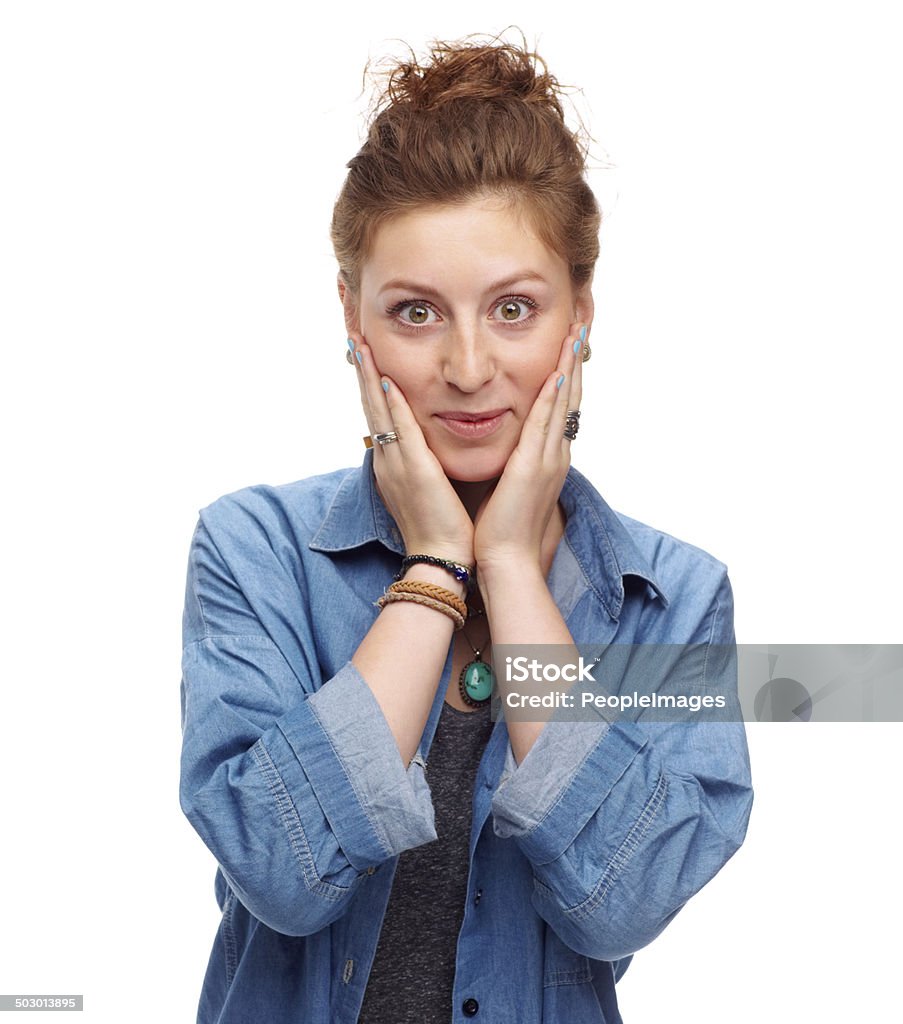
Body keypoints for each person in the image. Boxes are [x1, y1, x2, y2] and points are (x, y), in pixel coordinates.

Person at [179, 37, 753, 1024]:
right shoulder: (254, 550)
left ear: (581, 316)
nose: (468, 364)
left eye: (516, 308)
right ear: (352, 318)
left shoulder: (676, 596)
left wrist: (513, 575)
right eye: (415, 312)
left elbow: (623, 903)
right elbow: (277, 869)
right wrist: (437, 571)